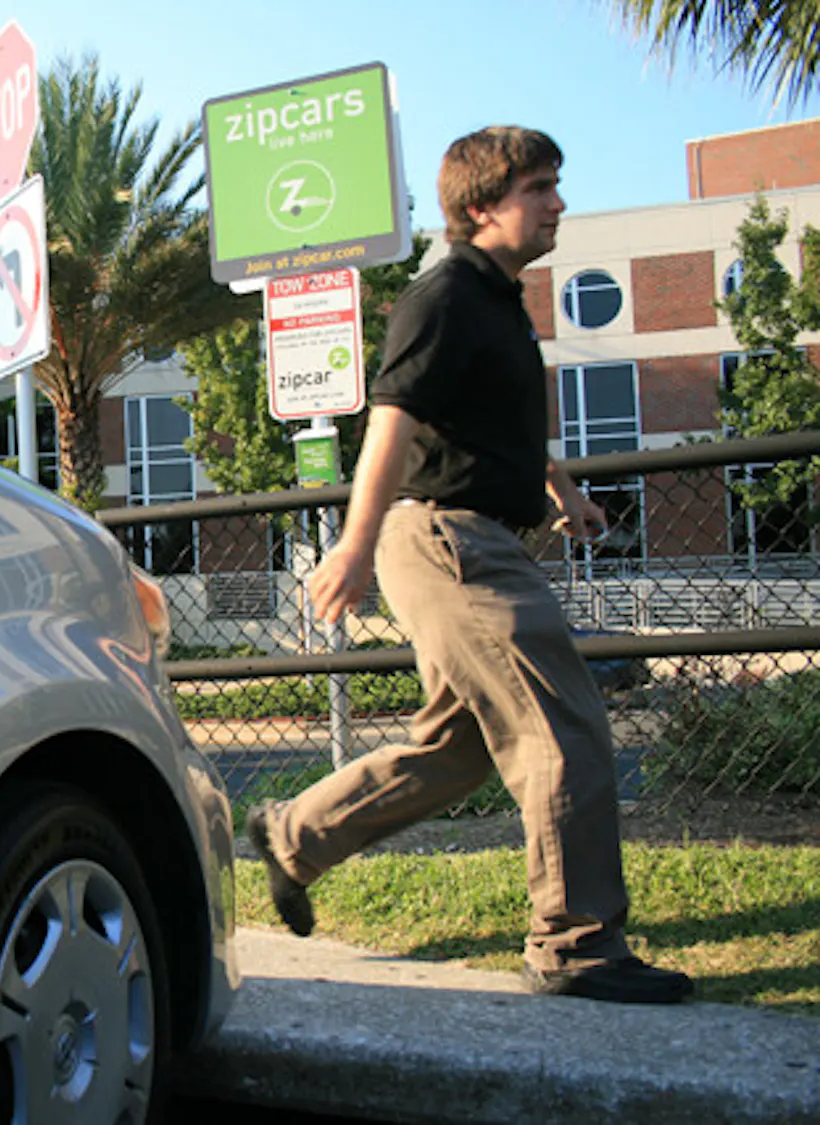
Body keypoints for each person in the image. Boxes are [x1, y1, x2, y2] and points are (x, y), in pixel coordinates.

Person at [246, 126, 694, 1004]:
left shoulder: (496, 299)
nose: (558, 202)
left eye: (556, 185)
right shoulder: (442, 294)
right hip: (451, 544)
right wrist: (354, 542)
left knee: (456, 749)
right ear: (483, 205)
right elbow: (391, 423)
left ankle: (294, 834)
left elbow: (498, 422)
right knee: (562, 730)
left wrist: (562, 489)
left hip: (480, 535)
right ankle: (578, 947)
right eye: (541, 187)